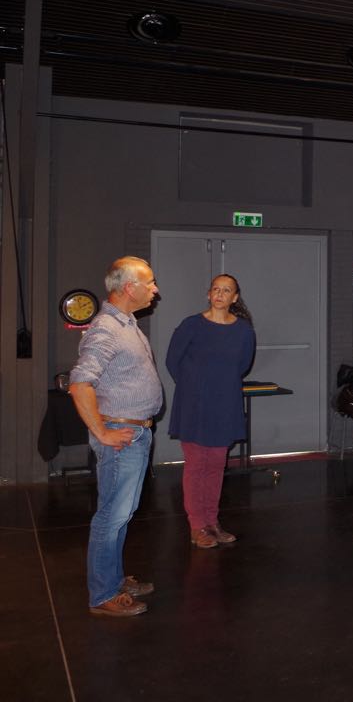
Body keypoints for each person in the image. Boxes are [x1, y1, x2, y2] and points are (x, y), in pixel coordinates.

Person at [68, 256, 163, 617]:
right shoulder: (106, 328)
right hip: (122, 436)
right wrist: (102, 432)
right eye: (150, 282)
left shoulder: (127, 324)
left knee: (122, 513)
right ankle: (103, 594)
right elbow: (80, 384)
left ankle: (114, 577)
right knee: (111, 516)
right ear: (129, 288)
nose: (156, 289)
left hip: (136, 434)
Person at [165, 273, 256, 550]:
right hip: (193, 404)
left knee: (216, 465)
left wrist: (217, 386)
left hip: (224, 404)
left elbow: (242, 365)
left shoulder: (243, 331)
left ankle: (212, 522)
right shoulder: (191, 326)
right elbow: (173, 362)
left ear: (234, 297)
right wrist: (197, 387)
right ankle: (197, 525)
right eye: (216, 289)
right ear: (208, 294)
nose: (220, 293)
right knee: (196, 464)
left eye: (226, 290)